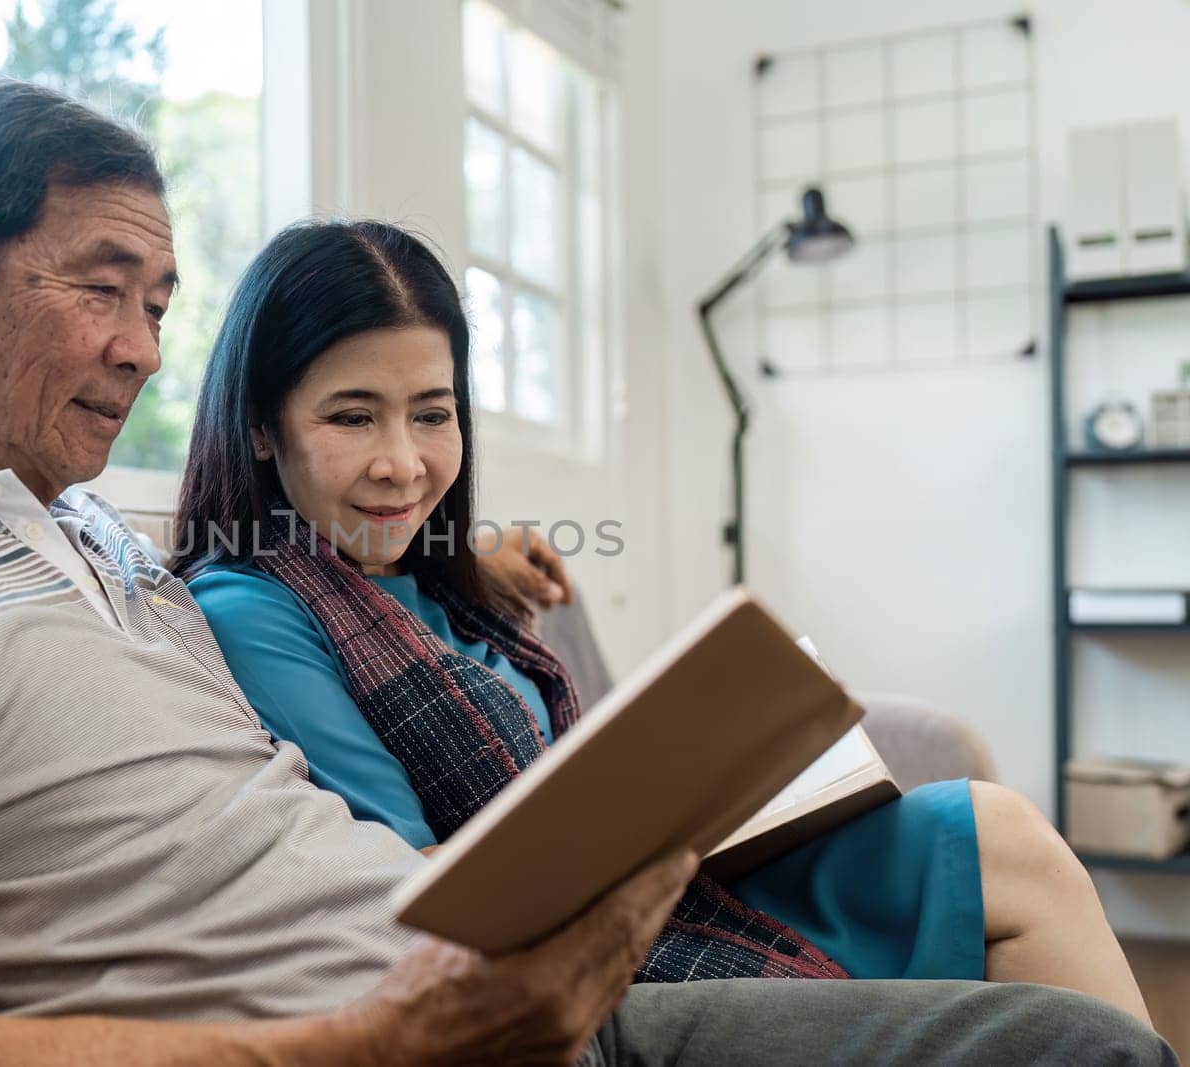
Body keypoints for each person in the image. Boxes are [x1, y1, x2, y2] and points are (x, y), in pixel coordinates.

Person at [0, 76, 1173, 1066]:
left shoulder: (109, 549)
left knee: (1049, 1020)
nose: (140, 349)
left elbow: (325, 564)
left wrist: (475, 550)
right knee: (1076, 1047)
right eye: (100, 290)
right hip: (407, 1038)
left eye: (160, 302)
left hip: (509, 1001)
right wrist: (390, 1035)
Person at [174, 219, 1153, 1016]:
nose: (402, 461)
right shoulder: (253, 604)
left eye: (431, 413)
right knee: (1016, 909)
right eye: (352, 417)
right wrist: (644, 820)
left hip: (664, 876)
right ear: (262, 425)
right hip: (598, 933)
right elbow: (407, 883)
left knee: (1000, 829)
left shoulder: (421, 565)